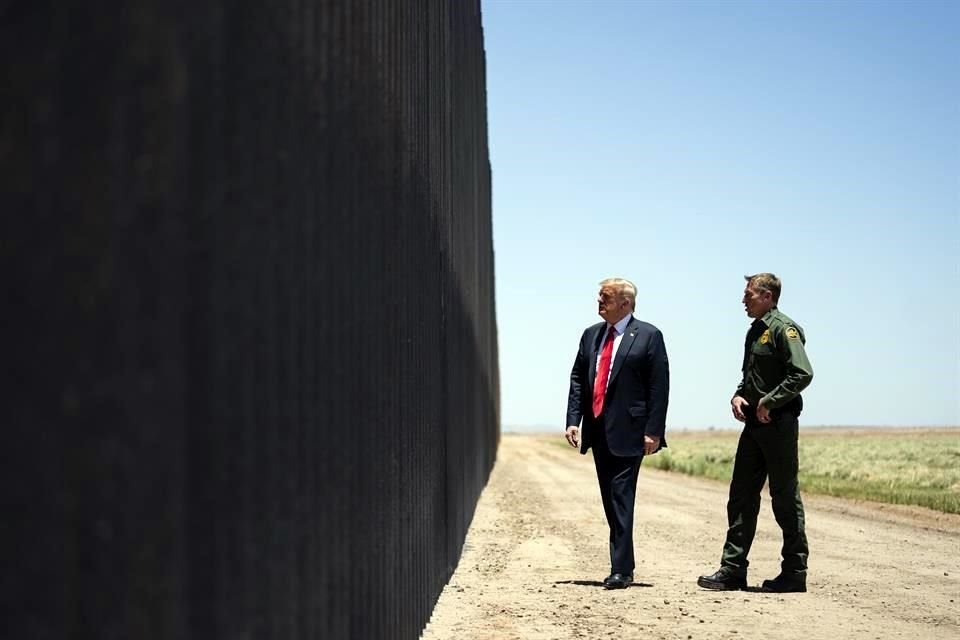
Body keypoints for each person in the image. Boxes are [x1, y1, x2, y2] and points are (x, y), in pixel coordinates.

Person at [698, 273, 813, 593]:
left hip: (779, 424)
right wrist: (739, 395)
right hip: (753, 425)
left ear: (767, 295)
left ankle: (794, 572)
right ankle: (733, 569)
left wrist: (770, 402)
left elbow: (802, 373)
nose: (743, 299)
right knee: (741, 496)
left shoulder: (783, 329)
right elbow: (752, 377)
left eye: (749, 294)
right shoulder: (755, 331)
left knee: (784, 498)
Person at [565, 278, 669, 589]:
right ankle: (624, 563)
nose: (599, 302)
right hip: (598, 431)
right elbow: (578, 379)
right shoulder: (591, 335)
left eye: (605, 297)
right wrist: (574, 420)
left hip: (631, 433)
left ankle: (621, 570)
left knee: (621, 497)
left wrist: (654, 431)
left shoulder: (649, 336)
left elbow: (658, 387)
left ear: (625, 303)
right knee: (611, 500)